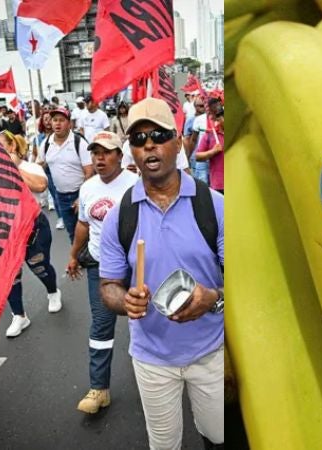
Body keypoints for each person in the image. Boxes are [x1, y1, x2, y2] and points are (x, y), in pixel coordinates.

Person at [99, 98, 224, 449]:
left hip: (210, 352)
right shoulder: (119, 216)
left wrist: (212, 298)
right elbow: (108, 285)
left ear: (178, 141)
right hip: (151, 358)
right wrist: (126, 301)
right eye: (138, 139)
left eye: (158, 134)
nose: (149, 144)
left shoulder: (214, 207)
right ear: (131, 153)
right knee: (164, 444)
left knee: (217, 435)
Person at [67, 131, 138, 414]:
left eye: (107, 152)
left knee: (144, 321)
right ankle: (99, 389)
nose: (100, 157)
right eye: (95, 152)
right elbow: (84, 225)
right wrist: (73, 255)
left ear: (120, 156)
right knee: (101, 327)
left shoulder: (136, 184)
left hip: (135, 268)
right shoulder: (88, 188)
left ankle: (161, 380)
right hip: (100, 267)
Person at [0, 131, 63, 336]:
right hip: (6, 230)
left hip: (34, 228)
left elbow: (41, 186)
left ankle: (53, 292)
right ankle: (19, 316)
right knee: (10, 275)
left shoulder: (29, 167)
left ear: (12, 147)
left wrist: (14, 168)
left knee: (40, 267)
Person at [36, 107, 93, 242]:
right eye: (54, 120)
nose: (57, 123)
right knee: (72, 233)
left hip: (80, 195)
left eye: (61, 120)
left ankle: (90, 261)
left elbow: (89, 172)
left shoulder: (79, 143)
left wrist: (81, 198)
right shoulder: (46, 144)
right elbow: (40, 166)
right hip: (60, 196)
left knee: (87, 233)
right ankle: (78, 261)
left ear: (69, 124)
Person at [193, 111, 224, 194]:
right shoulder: (210, 135)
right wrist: (213, 151)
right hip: (219, 185)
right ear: (219, 119)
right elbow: (197, 156)